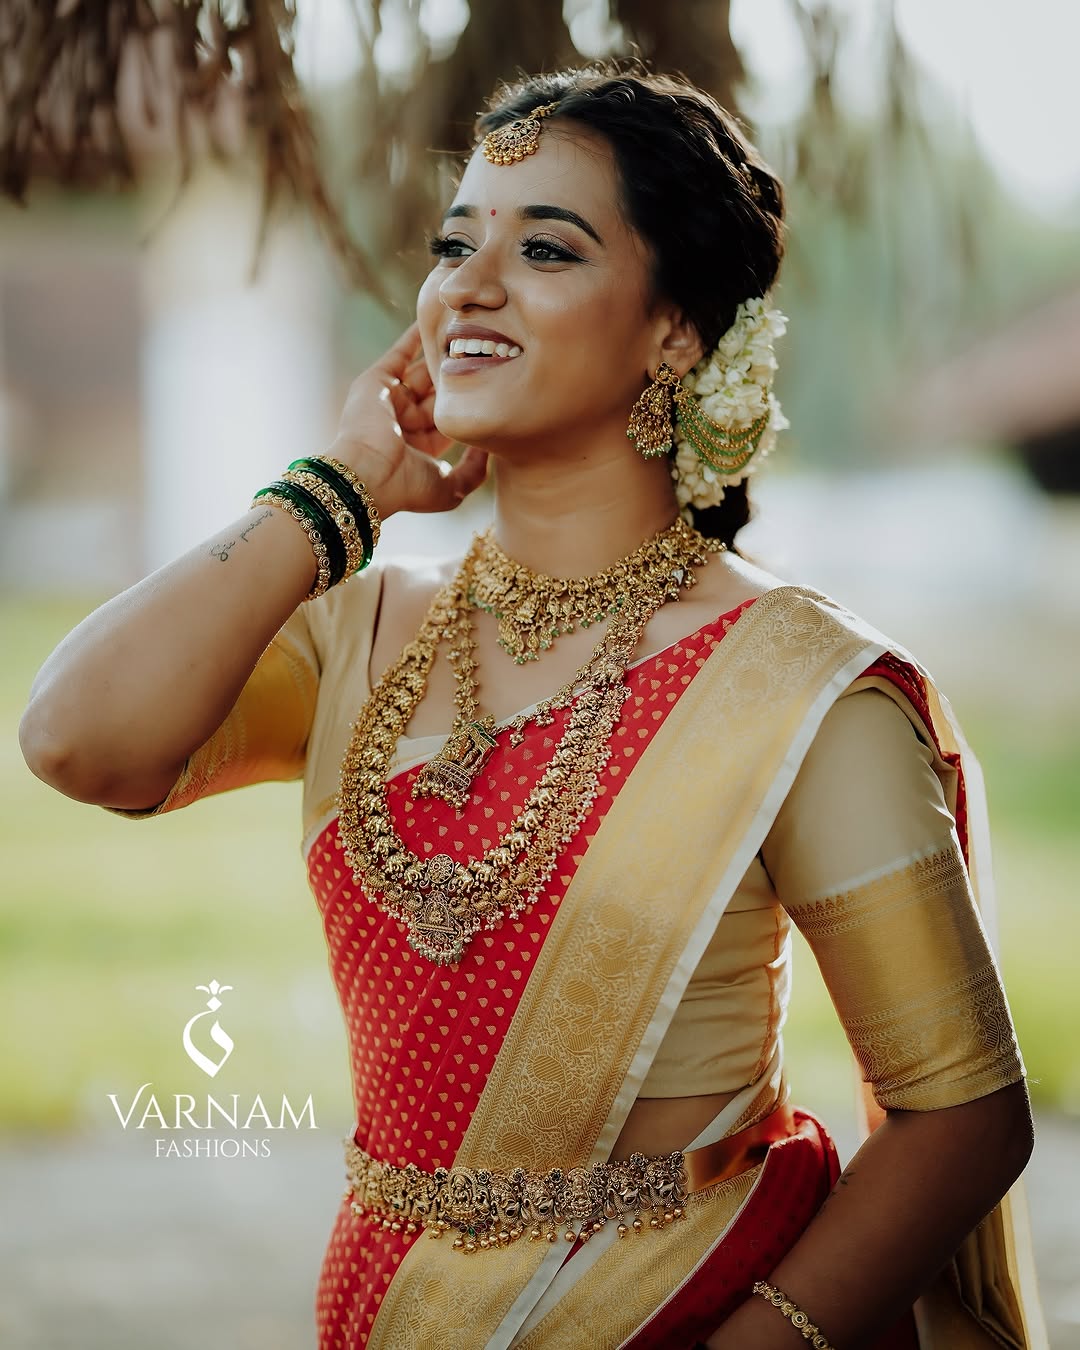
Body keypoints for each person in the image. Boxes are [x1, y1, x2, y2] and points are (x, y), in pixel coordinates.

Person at [19, 63, 1045, 1350]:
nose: (468, 286)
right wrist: (339, 487)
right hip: (388, 1314)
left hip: (689, 1305)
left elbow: (961, 1117)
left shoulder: (795, 688)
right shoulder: (359, 629)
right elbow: (75, 740)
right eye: (454, 247)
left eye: (545, 248)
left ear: (678, 331)